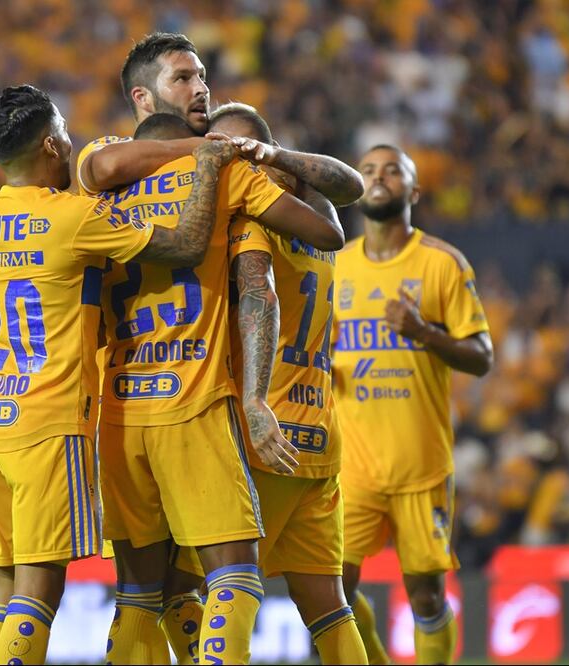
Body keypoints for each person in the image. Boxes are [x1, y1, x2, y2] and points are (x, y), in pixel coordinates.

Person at [0, 84, 237, 665]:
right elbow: (189, 245)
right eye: (65, 131)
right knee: (39, 589)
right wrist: (209, 161)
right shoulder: (71, 219)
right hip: (48, 420)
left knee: (1, 589)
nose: (72, 141)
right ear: (49, 144)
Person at [94, 105, 343, 665]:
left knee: (158, 589)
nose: (226, 154)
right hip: (295, 422)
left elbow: (258, 292)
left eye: (240, 149)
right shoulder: (292, 221)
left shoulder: (103, 193)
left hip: (185, 414)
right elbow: (332, 225)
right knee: (320, 602)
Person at [207, 102, 369, 664]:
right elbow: (348, 185)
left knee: (210, 585)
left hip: (263, 432)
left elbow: (261, 293)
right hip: (318, 436)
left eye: (229, 152)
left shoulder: (252, 220)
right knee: (329, 606)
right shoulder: (316, 212)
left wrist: (252, 401)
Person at [333, 145, 494, 665]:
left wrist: (424, 332)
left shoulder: (442, 264)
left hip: (421, 466)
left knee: (425, 593)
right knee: (331, 593)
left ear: (414, 191)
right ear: (357, 188)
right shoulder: (333, 267)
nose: (379, 177)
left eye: (393, 171)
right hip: (352, 467)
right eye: (369, 170)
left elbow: (481, 357)